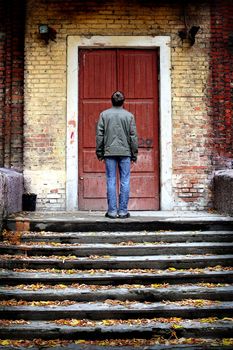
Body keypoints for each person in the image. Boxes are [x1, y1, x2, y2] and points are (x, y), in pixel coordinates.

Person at [96, 91, 138, 219]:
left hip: (109, 152)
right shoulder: (129, 116)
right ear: (123, 102)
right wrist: (134, 154)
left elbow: (99, 136)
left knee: (111, 180)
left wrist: (99, 152)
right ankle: (123, 211)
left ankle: (112, 212)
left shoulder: (104, 115)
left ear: (111, 101)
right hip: (125, 153)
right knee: (125, 181)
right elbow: (133, 137)